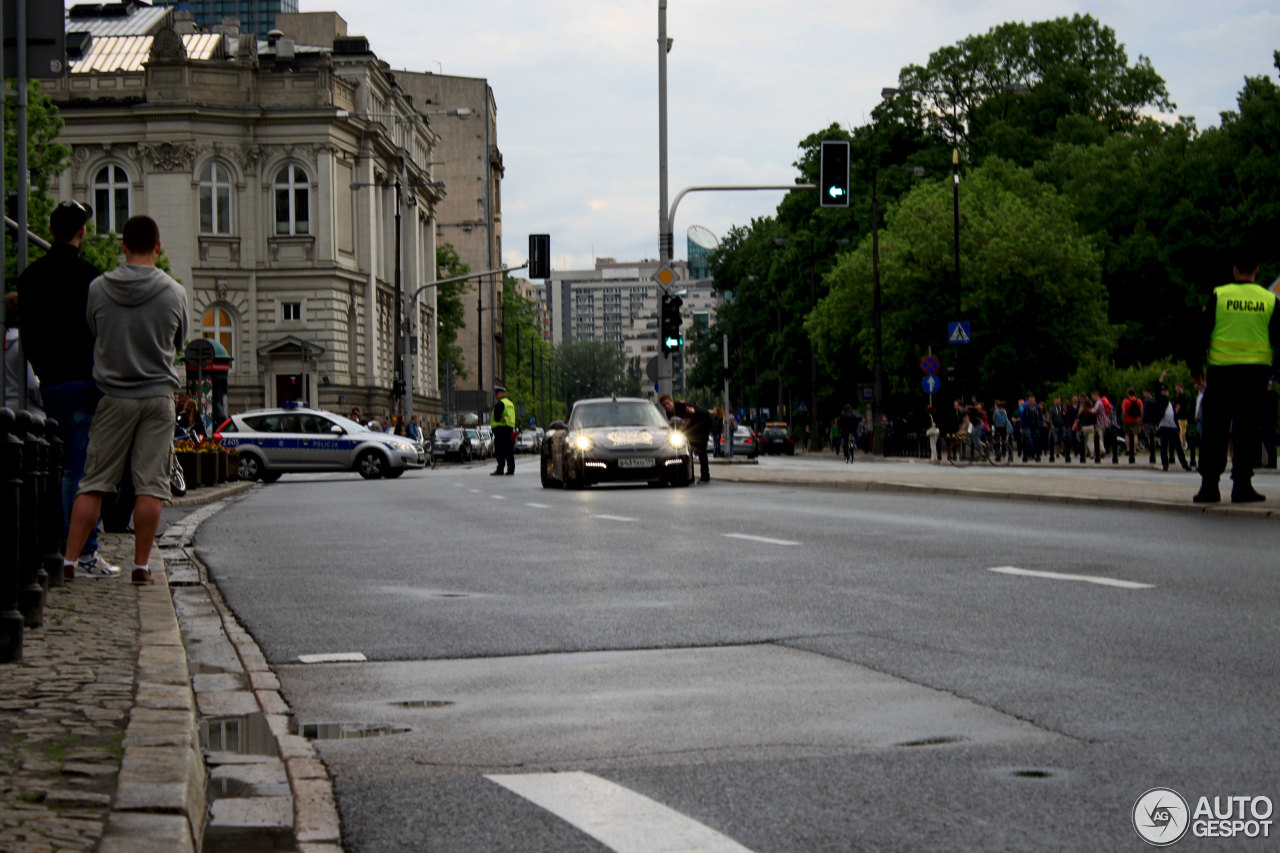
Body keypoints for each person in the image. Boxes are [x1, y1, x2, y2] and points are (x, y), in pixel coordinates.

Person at [61, 215, 188, 585]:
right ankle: (141, 566)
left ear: (123, 246)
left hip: (113, 395)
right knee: (150, 484)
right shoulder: (174, 292)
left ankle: (70, 560)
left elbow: (94, 330)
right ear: (158, 247)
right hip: (157, 397)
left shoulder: (99, 288)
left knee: (94, 481)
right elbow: (177, 344)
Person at [16, 199, 120, 577]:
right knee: (81, 470)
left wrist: (43, 370)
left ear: (50, 231)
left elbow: (28, 335)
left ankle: (62, 547)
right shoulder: (93, 278)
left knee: (58, 466)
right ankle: (80, 551)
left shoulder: (29, 278)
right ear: (83, 232)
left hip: (51, 383)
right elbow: (103, 332)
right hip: (85, 382)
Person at [1189, 246, 1280, 503]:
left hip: (1221, 373)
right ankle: (1242, 486)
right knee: (1246, 430)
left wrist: (1196, 369)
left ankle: (1209, 487)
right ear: (1257, 271)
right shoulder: (1270, 299)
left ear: (1235, 270)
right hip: (1255, 374)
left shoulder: (1220, 295)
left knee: (1215, 430)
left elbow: (1201, 333)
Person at [3, 293, 44, 414]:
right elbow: (32, 385)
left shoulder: (4, 342)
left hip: (4, 409)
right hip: (28, 410)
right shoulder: (22, 344)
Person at [659, 393, 712, 482]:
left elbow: (691, 415)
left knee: (701, 452)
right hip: (692, 430)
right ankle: (690, 477)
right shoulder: (669, 414)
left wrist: (683, 425)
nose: (667, 406)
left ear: (672, 401)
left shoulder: (680, 406)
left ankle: (705, 476)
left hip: (703, 423)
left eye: (668, 403)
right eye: (664, 405)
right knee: (688, 453)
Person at [1155, 385, 1191, 472]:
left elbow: (1175, 415)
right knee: (1164, 446)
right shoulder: (1160, 401)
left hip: (1173, 427)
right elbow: (1157, 388)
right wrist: (1163, 376)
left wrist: (1178, 427)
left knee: (1178, 447)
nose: (1165, 392)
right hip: (1164, 426)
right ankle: (1165, 464)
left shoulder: (1171, 403)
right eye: (1163, 391)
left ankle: (1184, 464)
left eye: (1166, 391)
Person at [490, 384, 516, 475]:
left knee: (500, 451)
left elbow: (497, 417)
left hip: (500, 430)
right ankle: (511, 469)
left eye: (496, 394)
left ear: (500, 394)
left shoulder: (500, 403)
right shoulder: (510, 403)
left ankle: (500, 469)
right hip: (510, 430)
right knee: (509, 451)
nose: (496, 396)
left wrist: (499, 420)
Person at [1121, 387, 1143, 463]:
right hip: (1136, 420)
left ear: (1128, 394)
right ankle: (1134, 450)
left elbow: (1123, 411)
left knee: (1127, 434)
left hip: (1127, 420)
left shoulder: (1126, 401)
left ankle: (1128, 449)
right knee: (1135, 435)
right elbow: (1141, 411)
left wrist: (1123, 419)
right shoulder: (1139, 401)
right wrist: (1141, 419)